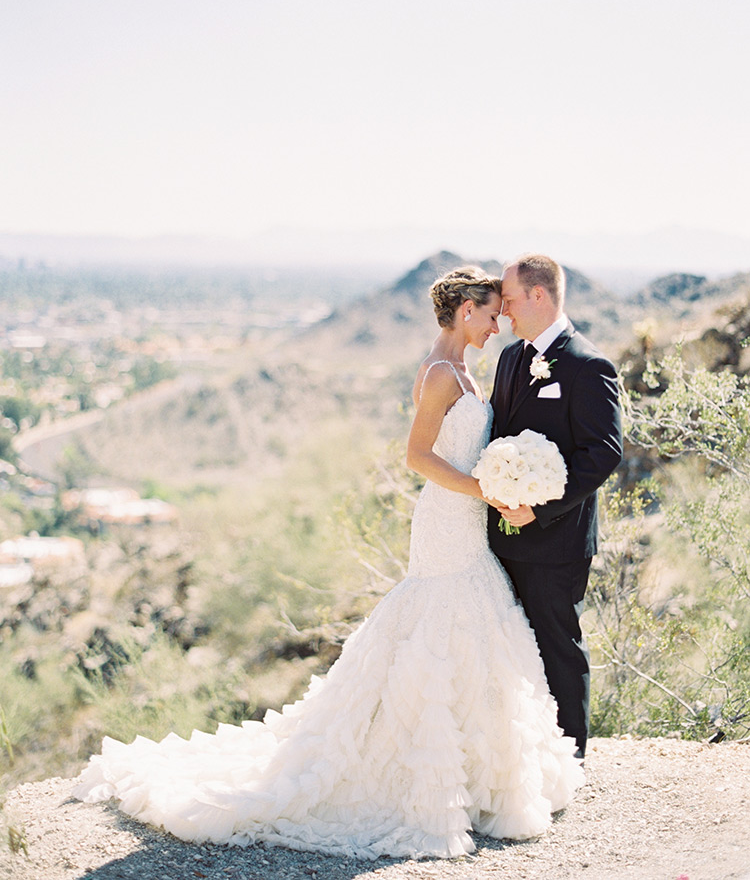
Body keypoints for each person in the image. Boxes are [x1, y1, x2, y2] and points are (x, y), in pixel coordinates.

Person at [74, 265, 583, 861]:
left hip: (469, 522)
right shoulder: (440, 374)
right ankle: (417, 773)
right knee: (441, 623)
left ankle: (475, 778)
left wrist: (500, 480)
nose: (498, 325)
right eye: (492, 314)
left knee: (475, 628)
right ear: (466, 311)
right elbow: (417, 456)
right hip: (447, 521)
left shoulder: (466, 370)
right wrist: (485, 489)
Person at [488, 254, 623, 761]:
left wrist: (541, 509)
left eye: (509, 300)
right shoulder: (509, 358)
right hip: (502, 534)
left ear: (538, 295)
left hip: (558, 539)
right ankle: (522, 756)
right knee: (512, 644)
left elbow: (602, 453)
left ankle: (569, 760)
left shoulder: (589, 366)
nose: (503, 311)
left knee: (557, 645)